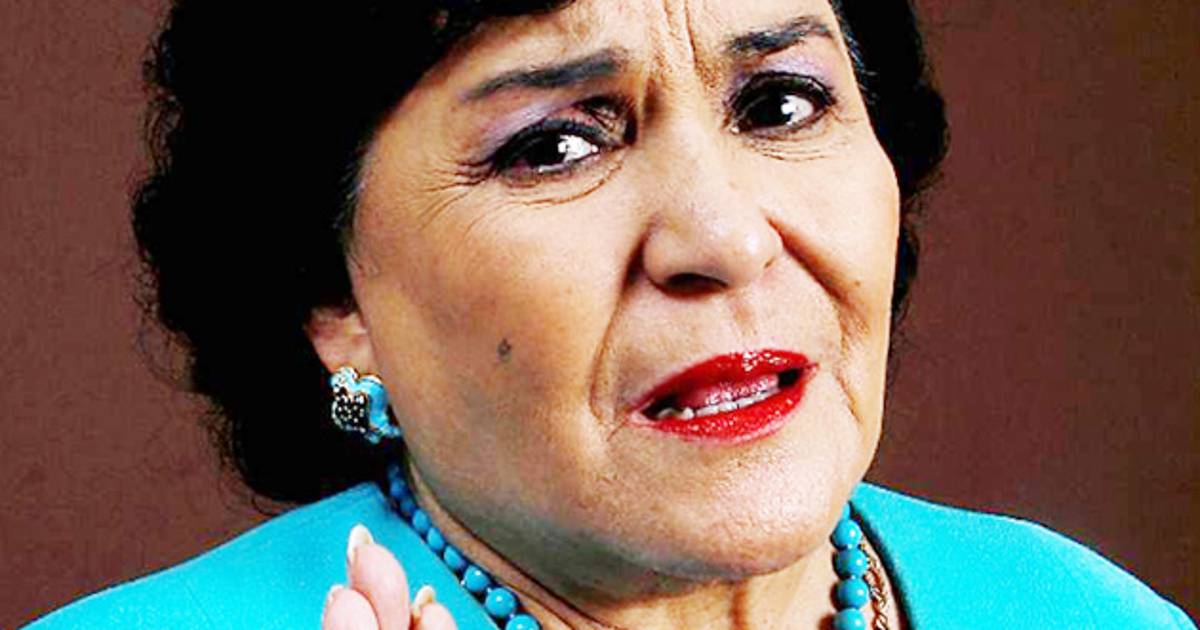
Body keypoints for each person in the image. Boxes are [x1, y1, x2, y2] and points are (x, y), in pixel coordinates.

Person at [23, 0, 1195, 628]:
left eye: (782, 103)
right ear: (335, 298)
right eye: (554, 146)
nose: (725, 238)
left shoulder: (1082, 612)